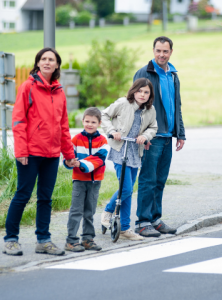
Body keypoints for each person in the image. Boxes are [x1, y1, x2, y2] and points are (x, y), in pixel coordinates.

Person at [3, 48, 77, 256]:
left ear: (56, 65)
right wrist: (21, 151)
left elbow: (64, 126)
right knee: (23, 195)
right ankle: (11, 239)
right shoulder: (27, 87)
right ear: (37, 64)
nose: (46, 62)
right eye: (43, 59)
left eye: (50, 59)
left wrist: (69, 155)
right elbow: (18, 121)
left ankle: (43, 240)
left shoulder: (59, 91)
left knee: (45, 198)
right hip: (30, 153)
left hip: (52, 155)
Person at [133, 36, 186, 237]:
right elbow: (135, 106)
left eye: (165, 51)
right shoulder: (144, 73)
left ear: (171, 52)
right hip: (150, 136)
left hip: (168, 136)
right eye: (158, 51)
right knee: (148, 178)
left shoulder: (173, 75)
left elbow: (177, 106)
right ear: (153, 51)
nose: (161, 55)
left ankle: (155, 219)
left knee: (160, 179)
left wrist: (180, 133)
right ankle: (142, 222)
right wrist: (141, 135)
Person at [101, 78, 158, 241]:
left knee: (129, 191)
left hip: (135, 150)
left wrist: (145, 136)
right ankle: (108, 210)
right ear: (134, 91)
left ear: (150, 95)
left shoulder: (150, 110)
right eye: (140, 91)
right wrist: (112, 130)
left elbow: (153, 127)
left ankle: (125, 228)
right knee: (125, 189)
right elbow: (104, 115)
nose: (142, 94)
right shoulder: (123, 103)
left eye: (146, 92)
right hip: (120, 149)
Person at [64, 107, 109, 252]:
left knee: (90, 211)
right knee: (76, 211)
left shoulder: (103, 141)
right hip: (79, 181)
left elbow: (99, 159)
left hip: (95, 182)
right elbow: (67, 157)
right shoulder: (76, 139)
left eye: (93, 122)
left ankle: (87, 239)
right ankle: (71, 241)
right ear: (82, 121)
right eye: (87, 121)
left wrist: (81, 163)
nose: (89, 124)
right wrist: (69, 162)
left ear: (99, 123)